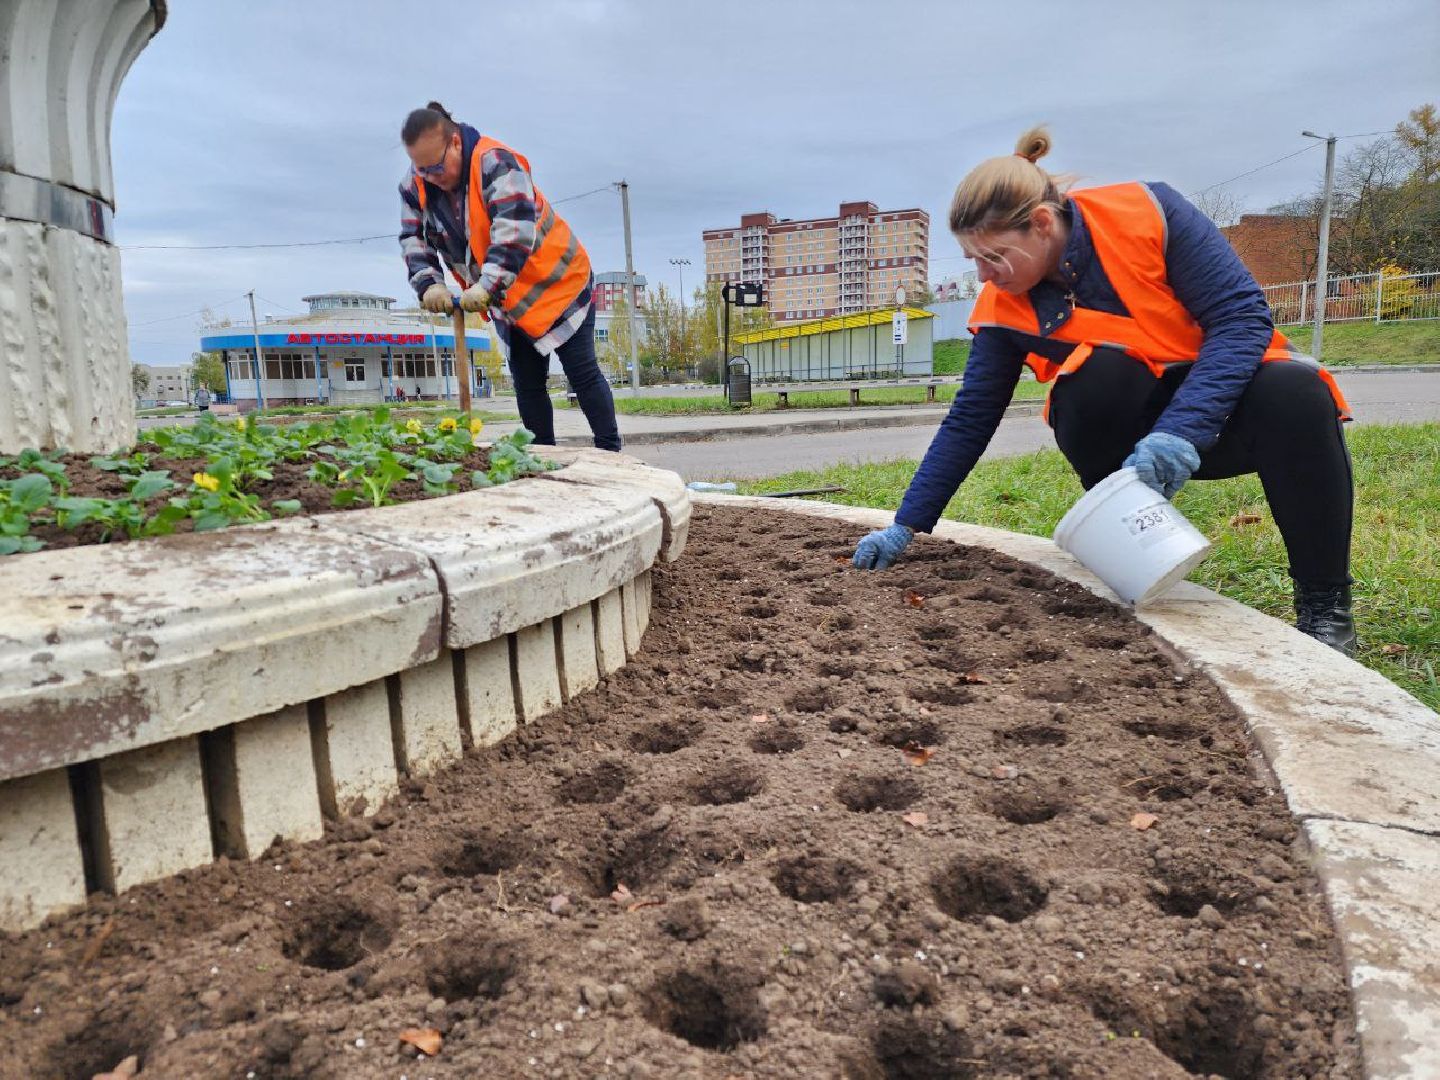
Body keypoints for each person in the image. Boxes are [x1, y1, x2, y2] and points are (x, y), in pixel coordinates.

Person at [852, 126, 1357, 654]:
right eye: (972, 259)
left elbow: (1241, 318)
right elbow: (970, 418)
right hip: (1129, 450)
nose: (983, 276)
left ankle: (1325, 606)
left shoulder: (1150, 213)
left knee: (1295, 390)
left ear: (1041, 223)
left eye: (994, 256)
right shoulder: (1003, 306)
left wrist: (1182, 430)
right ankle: (1134, 538)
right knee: (1096, 375)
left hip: (1224, 415)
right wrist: (906, 525)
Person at [398, 101, 621, 452]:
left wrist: (486, 286)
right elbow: (413, 238)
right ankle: (542, 458)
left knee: (582, 373)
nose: (431, 177)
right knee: (528, 384)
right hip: (509, 300)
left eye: (437, 167)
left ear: (454, 142)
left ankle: (611, 455)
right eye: (422, 169)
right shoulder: (417, 184)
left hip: (557, 282)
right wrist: (429, 283)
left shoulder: (496, 163)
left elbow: (513, 232)